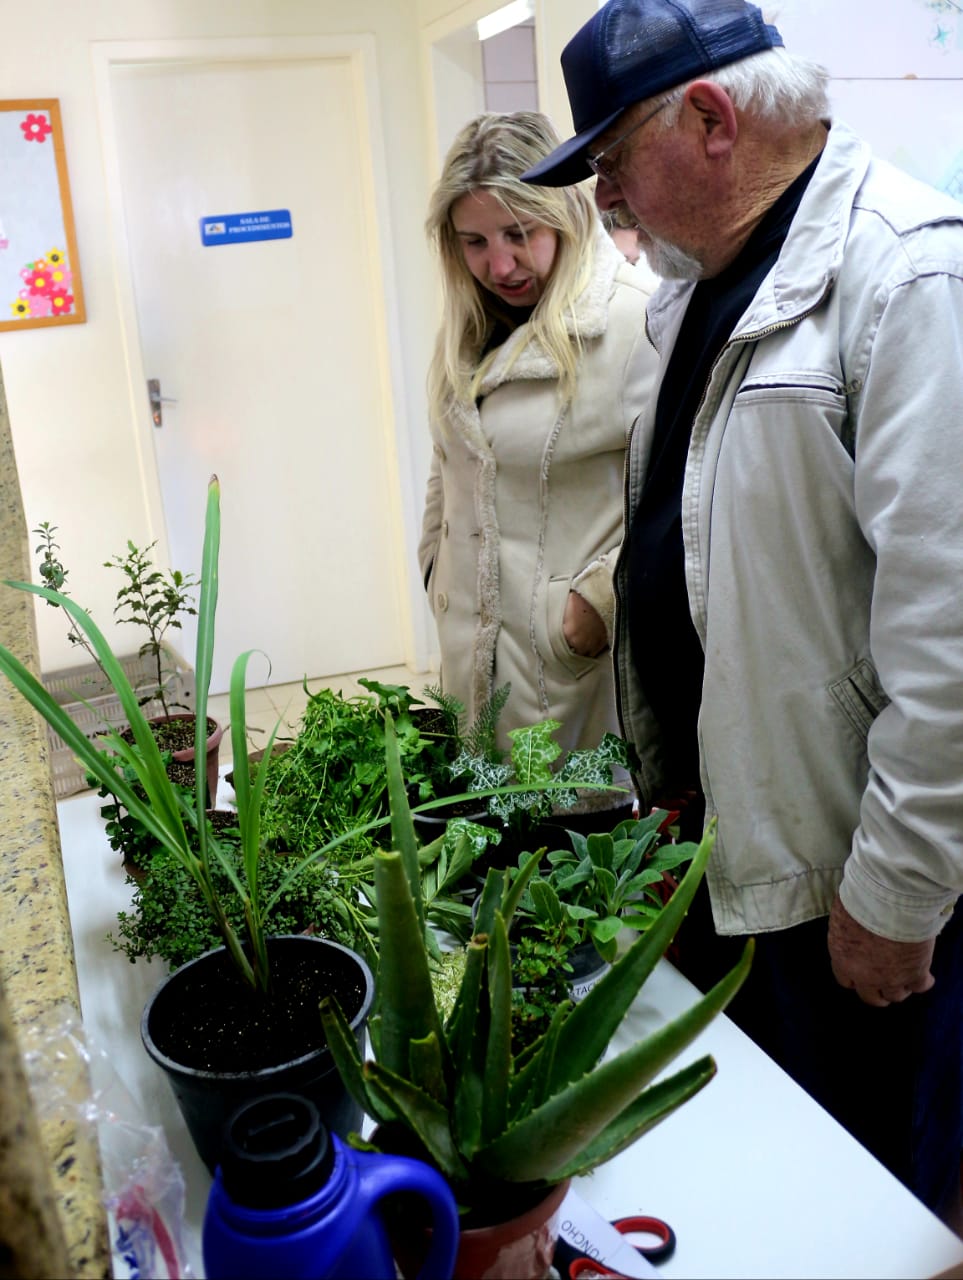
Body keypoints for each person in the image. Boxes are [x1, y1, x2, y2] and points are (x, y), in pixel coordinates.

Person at [521, 0, 963, 1228]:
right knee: (769, 1173)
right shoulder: (694, 288)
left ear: (712, 118)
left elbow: (951, 641)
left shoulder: (908, 276)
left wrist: (898, 891)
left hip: (848, 876)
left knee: (868, 1205)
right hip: (733, 840)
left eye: (614, 163)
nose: (607, 199)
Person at [418, 110, 658, 832]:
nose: (499, 266)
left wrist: (596, 605)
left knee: (575, 862)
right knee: (496, 858)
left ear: (564, 214)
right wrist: (433, 563)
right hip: (475, 667)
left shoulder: (632, 323)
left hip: (570, 675)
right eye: (475, 242)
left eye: (519, 233)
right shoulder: (471, 326)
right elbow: (452, 461)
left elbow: (684, 492)